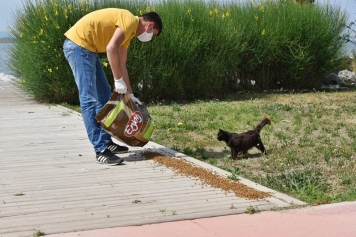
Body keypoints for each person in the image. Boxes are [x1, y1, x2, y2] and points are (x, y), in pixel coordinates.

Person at [63, 8, 163, 165]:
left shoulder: (129, 33)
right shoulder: (129, 20)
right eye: (152, 34)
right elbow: (111, 48)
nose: (149, 38)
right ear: (150, 25)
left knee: (104, 95)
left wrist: (130, 94)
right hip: (78, 46)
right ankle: (100, 149)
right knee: (89, 99)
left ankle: (106, 141)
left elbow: (122, 65)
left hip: (88, 50)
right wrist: (118, 80)